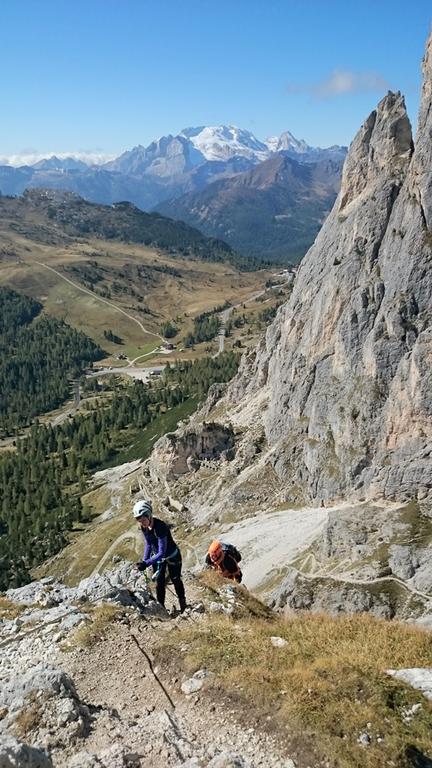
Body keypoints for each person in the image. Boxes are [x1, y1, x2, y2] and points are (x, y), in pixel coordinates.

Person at [133, 499, 187, 613]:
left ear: (149, 515)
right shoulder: (144, 527)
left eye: (143, 520)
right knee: (159, 583)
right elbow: (149, 543)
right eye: (140, 521)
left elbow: (161, 552)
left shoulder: (160, 527)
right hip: (159, 559)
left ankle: (183, 605)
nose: (142, 523)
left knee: (176, 579)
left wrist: (146, 563)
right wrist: (144, 561)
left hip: (172, 556)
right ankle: (161, 609)